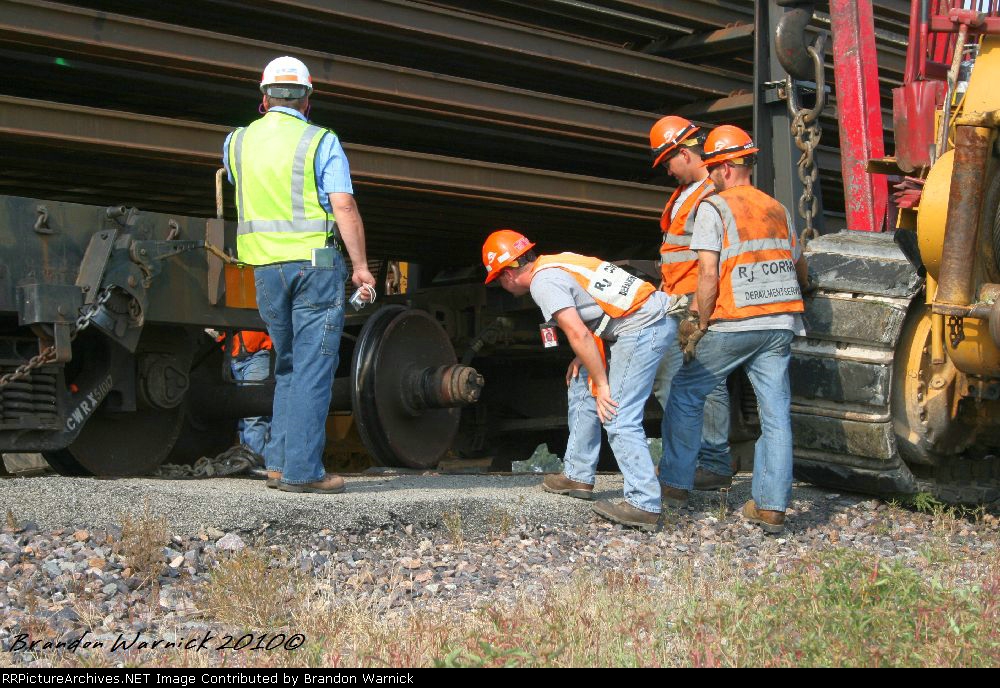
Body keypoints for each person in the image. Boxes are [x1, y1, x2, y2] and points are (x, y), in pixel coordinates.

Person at [224, 56, 374, 494]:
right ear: (307, 99)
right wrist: (361, 267)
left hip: (266, 268)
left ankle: (278, 462)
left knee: (288, 365)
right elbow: (342, 204)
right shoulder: (320, 140)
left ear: (264, 97)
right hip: (316, 266)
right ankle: (303, 471)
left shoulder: (236, 142)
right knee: (314, 366)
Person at [657, 125, 812, 534]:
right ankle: (771, 507)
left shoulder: (715, 208)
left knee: (687, 391)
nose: (710, 174)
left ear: (725, 168)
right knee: (776, 415)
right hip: (781, 324)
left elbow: (708, 274)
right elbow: (801, 268)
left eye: (713, 167)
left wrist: (699, 322)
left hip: (735, 322)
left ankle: (673, 486)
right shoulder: (776, 208)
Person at [482, 229, 680, 531]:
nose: (500, 284)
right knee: (580, 378)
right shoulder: (557, 261)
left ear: (506, 275)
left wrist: (602, 386)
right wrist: (587, 359)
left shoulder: (543, 283)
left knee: (616, 413)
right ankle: (577, 474)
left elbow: (577, 333)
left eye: (497, 279)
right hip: (643, 319)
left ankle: (643, 504)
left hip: (642, 328)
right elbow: (598, 309)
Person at [648, 115, 733, 496]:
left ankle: (710, 462)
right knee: (676, 382)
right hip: (676, 298)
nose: (667, 171)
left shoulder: (710, 193)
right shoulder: (687, 193)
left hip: (694, 302)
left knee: (702, 381)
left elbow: (710, 260)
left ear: (684, 152)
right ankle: (692, 460)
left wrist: (700, 311)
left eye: (668, 161)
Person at [228, 330, 273, 460]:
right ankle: (249, 458)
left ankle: (258, 459)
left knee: (254, 413)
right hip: (234, 357)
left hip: (257, 355)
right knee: (244, 413)